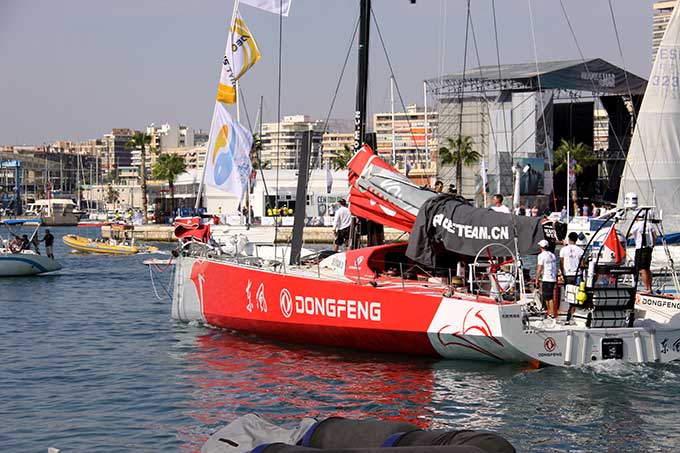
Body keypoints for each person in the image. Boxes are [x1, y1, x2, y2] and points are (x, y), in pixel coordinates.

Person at [629, 214, 657, 292]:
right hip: (648, 248)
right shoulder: (649, 224)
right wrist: (652, 246)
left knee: (642, 269)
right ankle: (650, 287)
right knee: (647, 269)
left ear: (637, 217)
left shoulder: (636, 225)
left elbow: (628, 234)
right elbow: (655, 236)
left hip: (640, 249)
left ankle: (647, 288)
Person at [560, 232, 584, 320]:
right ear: (576, 239)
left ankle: (569, 315)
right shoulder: (580, 250)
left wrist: (562, 273)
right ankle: (574, 314)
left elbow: (561, 263)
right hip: (577, 275)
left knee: (569, 296)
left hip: (567, 275)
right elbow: (582, 264)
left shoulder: (563, 250)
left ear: (569, 239)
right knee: (577, 296)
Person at [536, 239, 558, 318]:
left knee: (548, 297)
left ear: (541, 247)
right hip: (553, 278)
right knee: (547, 296)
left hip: (547, 278)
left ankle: (551, 313)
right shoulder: (552, 255)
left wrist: (536, 279)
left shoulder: (541, 256)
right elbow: (555, 267)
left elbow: (539, 269)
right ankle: (550, 312)